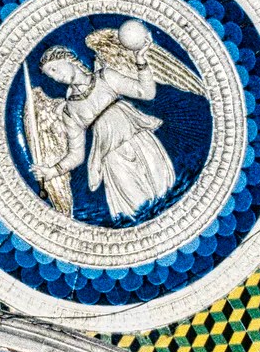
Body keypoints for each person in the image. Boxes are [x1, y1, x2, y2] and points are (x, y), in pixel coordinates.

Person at [31, 44, 175, 220]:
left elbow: (147, 93)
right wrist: (53, 171)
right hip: (113, 159)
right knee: (138, 209)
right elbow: (76, 154)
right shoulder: (70, 111)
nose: (55, 76)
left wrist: (141, 62)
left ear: (68, 59)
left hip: (140, 142)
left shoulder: (106, 77)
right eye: (50, 75)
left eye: (54, 68)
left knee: (166, 196)